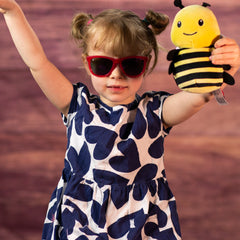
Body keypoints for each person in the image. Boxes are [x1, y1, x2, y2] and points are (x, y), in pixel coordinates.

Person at [1, 0, 239, 239]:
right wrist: (12, 11)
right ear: (87, 62)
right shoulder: (76, 105)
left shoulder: (156, 111)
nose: (116, 74)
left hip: (144, 223)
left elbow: (200, 96)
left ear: (145, 66)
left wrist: (224, 66)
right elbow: (37, 63)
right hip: (81, 220)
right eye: (102, 64)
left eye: (131, 65)